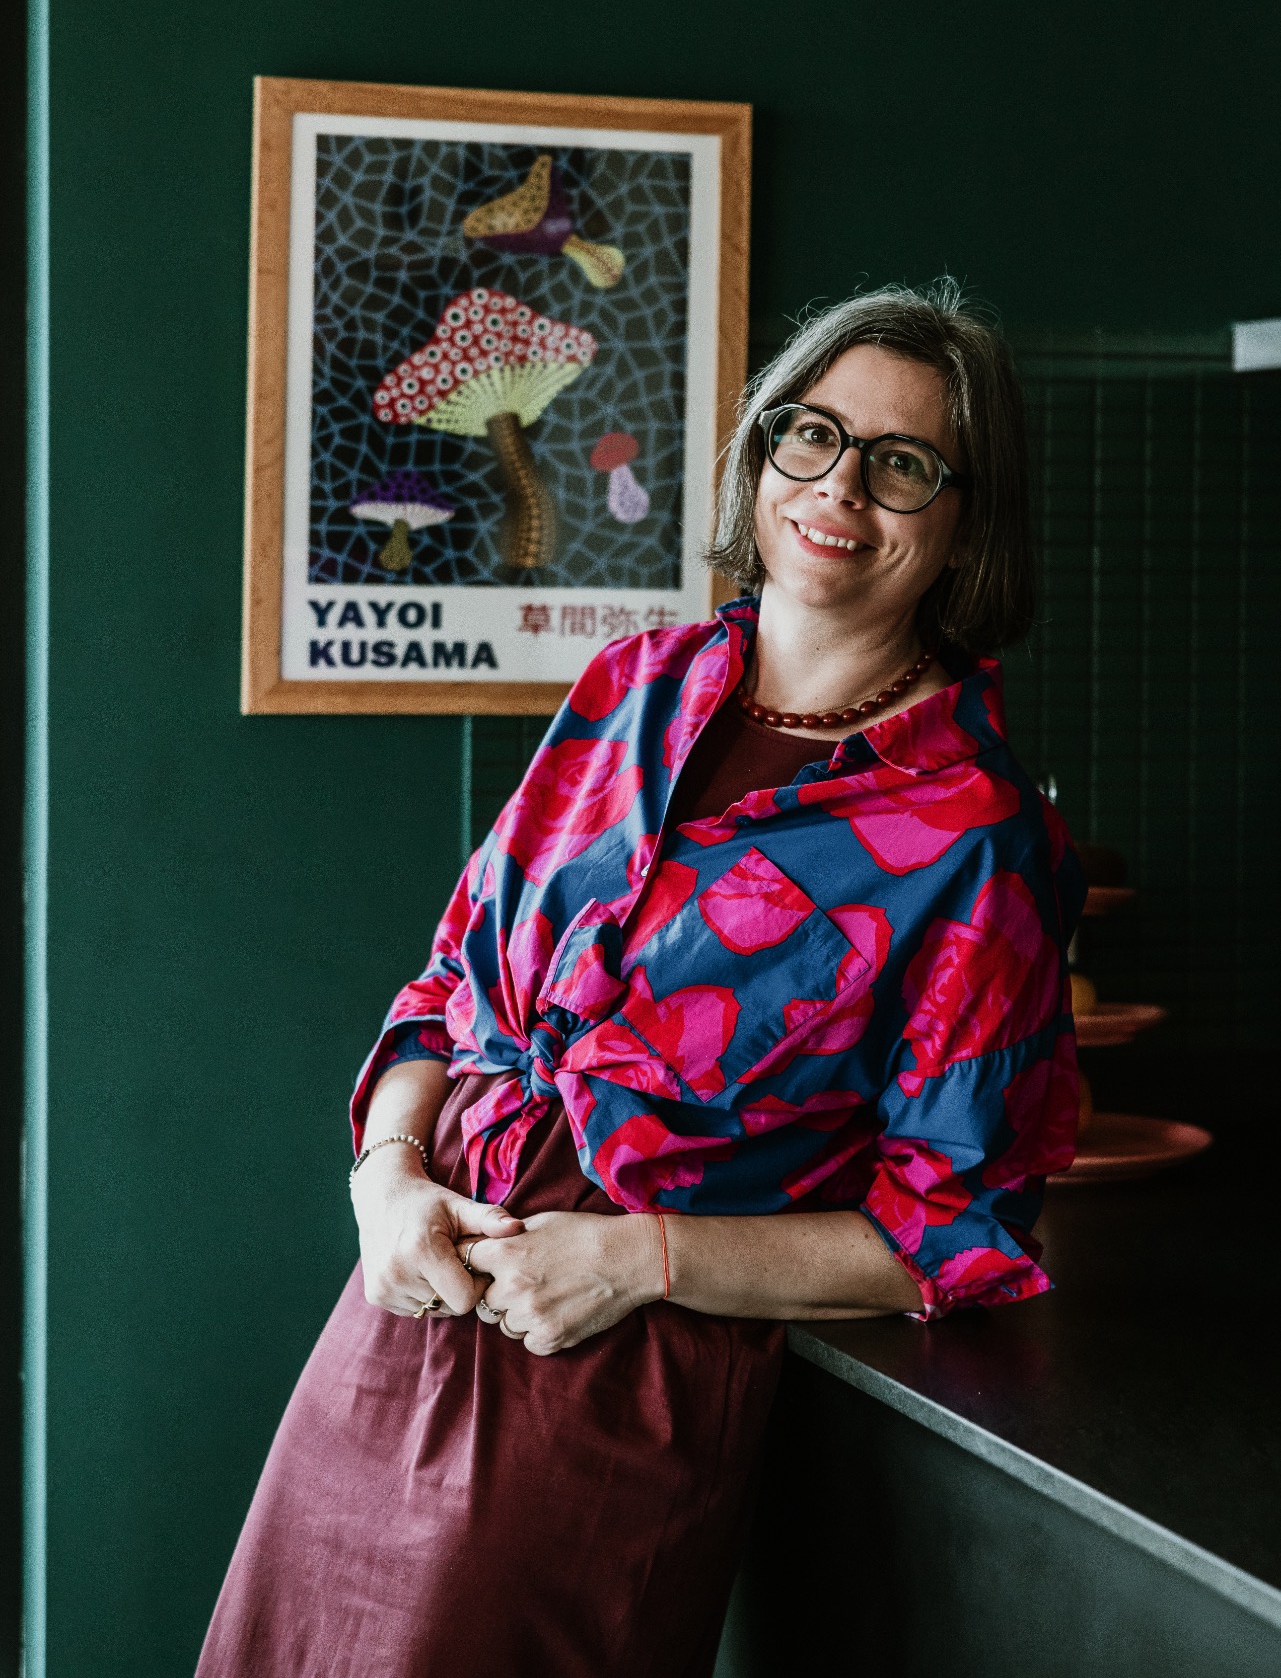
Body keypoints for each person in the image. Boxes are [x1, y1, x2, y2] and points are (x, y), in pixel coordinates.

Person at [197, 282, 1083, 1678]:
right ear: (762, 448)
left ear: (968, 520)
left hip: (613, 1373)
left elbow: (954, 1230)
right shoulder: (630, 687)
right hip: (405, 1304)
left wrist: (638, 1258)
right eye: (813, 433)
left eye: (903, 462)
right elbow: (448, 986)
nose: (839, 487)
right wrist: (385, 1179)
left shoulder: (976, 834)